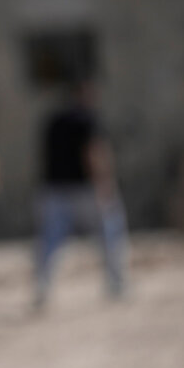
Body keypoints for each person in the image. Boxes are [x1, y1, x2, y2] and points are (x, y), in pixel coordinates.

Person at [34, 80, 128, 310]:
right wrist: (104, 183)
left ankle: (42, 288)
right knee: (110, 234)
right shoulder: (88, 120)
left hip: (54, 190)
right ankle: (116, 284)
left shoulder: (52, 120)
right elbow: (94, 153)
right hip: (85, 190)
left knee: (50, 243)